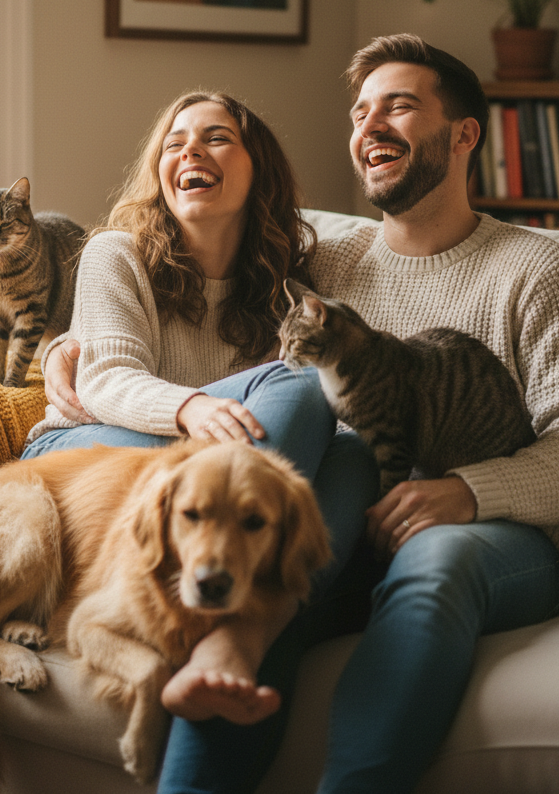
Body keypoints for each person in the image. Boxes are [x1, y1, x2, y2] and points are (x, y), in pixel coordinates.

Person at [45, 35, 559, 794]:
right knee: (285, 575)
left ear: (463, 135)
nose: (370, 126)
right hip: (352, 522)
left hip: (499, 535)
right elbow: (222, 326)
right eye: (360, 113)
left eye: (399, 106)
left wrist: (468, 493)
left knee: (435, 557)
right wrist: (71, 346)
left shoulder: (543, 270)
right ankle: (225, 677)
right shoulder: (327, 267)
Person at [24, 88, 380, 723]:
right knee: (299, 389)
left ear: (257, 170)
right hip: (88, 454)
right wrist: (189, 410)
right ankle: (235, 620)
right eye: (175, 141)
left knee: (351, 457)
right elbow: (103, 379)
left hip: (200, 477)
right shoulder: (116, 252)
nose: (191, 149)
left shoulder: (285, 288)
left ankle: (247, 629)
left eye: (217, 137)